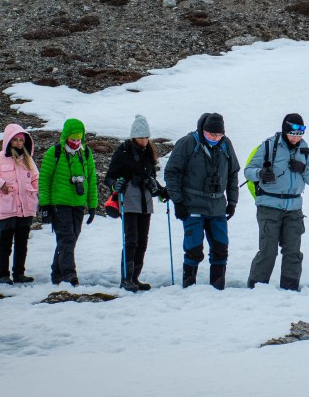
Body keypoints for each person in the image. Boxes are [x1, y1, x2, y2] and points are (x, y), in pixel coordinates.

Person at [163, 113, 240, 290]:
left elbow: (233, 173)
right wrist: (178, 202)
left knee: (221, 249)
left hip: (217, 207)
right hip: (192, 206)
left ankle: (218, 287)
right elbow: (171, 172)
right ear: (203, 130)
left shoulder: (226, 144)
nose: (216, 138)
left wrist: (232, 202)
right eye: (212, 134)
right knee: (194, 250)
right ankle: (189, 287)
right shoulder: (188, 143)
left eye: (219, 135)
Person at [244, 113, 309, 291]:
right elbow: (248, 171)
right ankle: (256, 288)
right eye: (293, 133)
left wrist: (304, 169)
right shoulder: (269, 146)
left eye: (300, 134)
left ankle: (290, 290)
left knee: (293, 252)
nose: (296, 138)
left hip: (294, 209)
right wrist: (260, 173)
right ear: (285, 130)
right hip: (269, 207)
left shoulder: (304, 149)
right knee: (268, 251)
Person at [104, 115, 168, 292]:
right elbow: (109, 177)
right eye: (140, 137)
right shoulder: (123, 151)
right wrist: (114, 185)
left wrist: (162, 191)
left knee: (142, 241)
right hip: (130, 201)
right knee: (131, 240)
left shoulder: (148, 153)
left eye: (146, 137)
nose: (144, 141)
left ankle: (134, 277)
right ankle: (126, 279)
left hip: (146, 203)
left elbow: (152, 179)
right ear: (133, 137)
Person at [38, 118, 98, 287]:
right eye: (73, 139)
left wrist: (92, 205)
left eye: (79, 139)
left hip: (78, 203)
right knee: (67, 238)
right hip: (59, 203)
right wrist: (45, 205)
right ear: (65, 137)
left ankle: (56, 272)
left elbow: (91, 180)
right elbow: (44, 179)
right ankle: (69, 275)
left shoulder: (85, 153)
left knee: (72, 238)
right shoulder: (54, 152)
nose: (76, 142)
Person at [0, 124, 38, 285]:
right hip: (7, 207)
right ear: (8, 141)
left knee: (22, 242)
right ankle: (3, 274)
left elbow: (36, 178)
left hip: (26, 207)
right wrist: (0, 183)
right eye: (15, 140)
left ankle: (19, 273)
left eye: (21, 140)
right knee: (5, 241)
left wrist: (37, 193)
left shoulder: (27, 159)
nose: (18, 143)